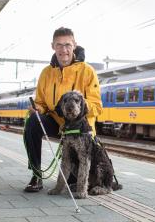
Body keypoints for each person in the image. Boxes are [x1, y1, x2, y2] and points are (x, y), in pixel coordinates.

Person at [24, 27, 103, 192]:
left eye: (67, 44)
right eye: (59, 45)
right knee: (32, 122)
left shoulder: (88, 71)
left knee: (74, 179)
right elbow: (41, 103)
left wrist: (77, 108)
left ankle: (77, 179)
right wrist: (36, 108)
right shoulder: (46, 73)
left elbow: (96, 106)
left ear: (74, 45)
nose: (63, 50)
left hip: (79, 129)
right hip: (57, 124)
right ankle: (36, 176)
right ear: (52, 46)